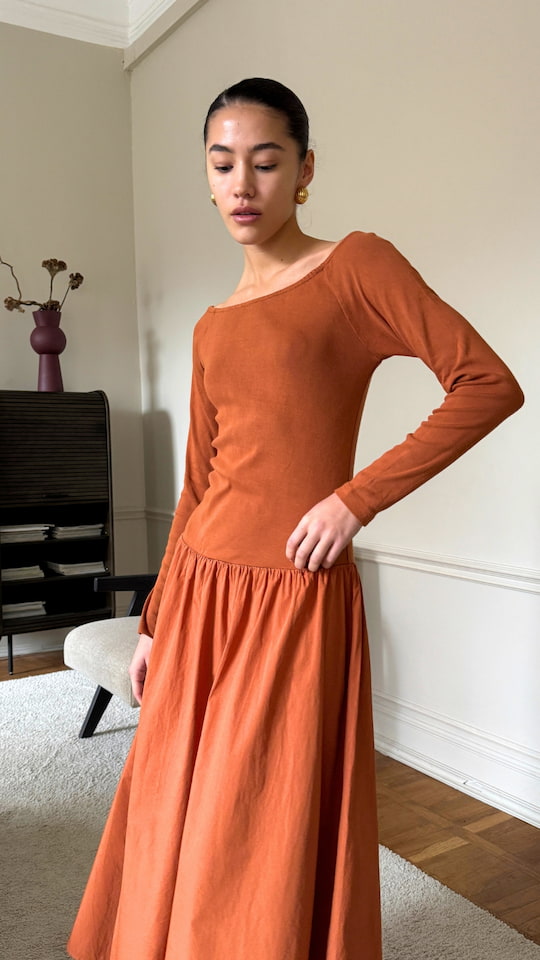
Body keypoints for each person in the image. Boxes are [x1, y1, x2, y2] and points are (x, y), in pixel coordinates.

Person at [67, 78, 523, 960]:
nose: (243, 184)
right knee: (179, 802)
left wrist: (355, 498)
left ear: (305, 170)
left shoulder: (357, 266)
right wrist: (155, 620)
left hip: (291, 595)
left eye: (266, 162)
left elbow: (486, 383)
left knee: (256, 819)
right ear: (207, 178)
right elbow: (198, 484)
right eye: (223, 164)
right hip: (200, 591)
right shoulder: (211, 326)